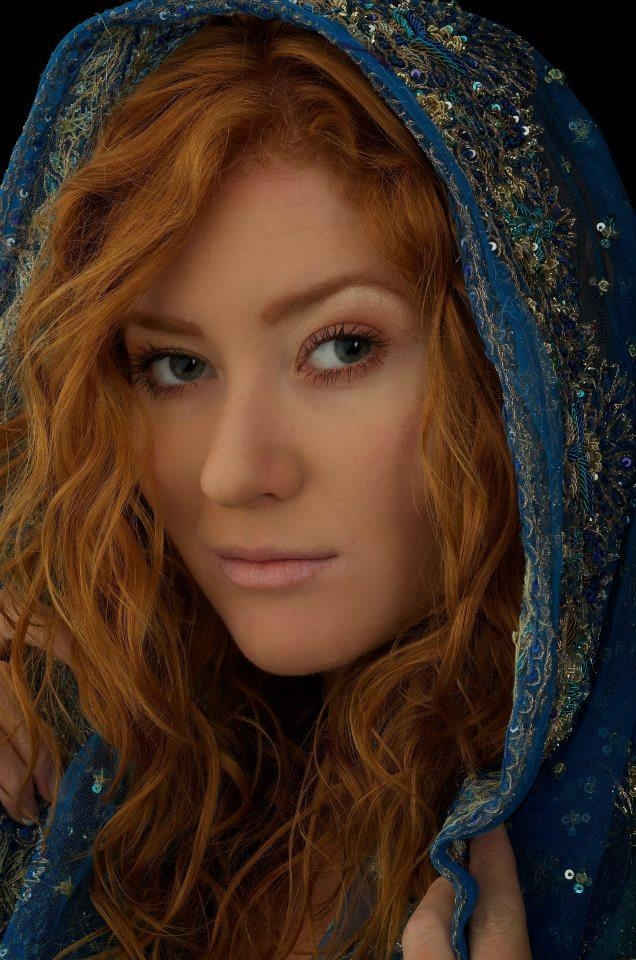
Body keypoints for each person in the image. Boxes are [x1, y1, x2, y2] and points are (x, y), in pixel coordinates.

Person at [0, 3, 633, 960]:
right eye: (175, 365)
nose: (231, 474)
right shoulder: (90, 769)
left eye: (341, 348)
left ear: (524, 366)